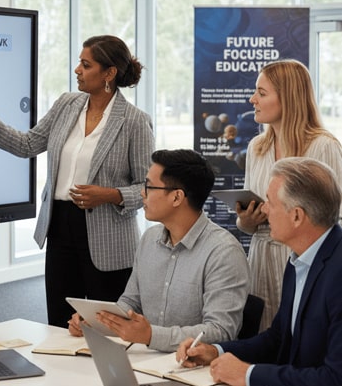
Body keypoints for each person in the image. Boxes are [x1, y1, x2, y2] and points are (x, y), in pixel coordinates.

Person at [0, 35, 155, 328]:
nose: (77, 70)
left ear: (109, 73)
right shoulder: (66, 104)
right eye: (79, 63)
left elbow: (148, 188)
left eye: (86, 64)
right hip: (60, 226)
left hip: (109, 236)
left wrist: (110, 194)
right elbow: (27, 144)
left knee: (107, 326)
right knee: (60, 322)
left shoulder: (135, 121)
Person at [177, 157, 342, 386]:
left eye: (270, 203)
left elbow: (337, 383)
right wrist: (216, 351)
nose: (264, 210)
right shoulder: (299, 258)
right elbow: (278, 338)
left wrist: (248, 375)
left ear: (297, 216)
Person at [69, 149, 251, 352]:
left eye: (148, 186)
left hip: (192, 364)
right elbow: (131, 302)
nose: (142, 193)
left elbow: (221, 331)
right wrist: (97, 320)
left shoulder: (224, 252)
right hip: (144, 357)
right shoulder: (149, 239)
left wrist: (151, 336)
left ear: (176, 197)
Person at [237, 58, 342, 330]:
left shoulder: (323, 146)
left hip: (307, 261)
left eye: (261, 93)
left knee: (306, 335)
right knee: (265, 336)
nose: (252, 99)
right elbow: (246, 221)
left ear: (288, 97)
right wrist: (246, 221)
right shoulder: (256, 148)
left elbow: (335, 218)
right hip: (261, 260)